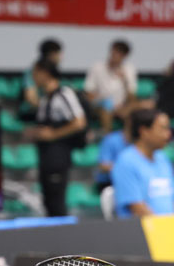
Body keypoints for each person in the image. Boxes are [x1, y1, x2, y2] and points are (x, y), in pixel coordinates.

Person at [24, 58, 86, 217]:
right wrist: (36, 133)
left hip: (58, 157)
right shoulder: (45, 99)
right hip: (45, 158)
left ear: (45, 73)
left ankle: (62, 231)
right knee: (49, 202)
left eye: (35, 73)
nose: (33, 77)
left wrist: (53, 135)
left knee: (57, 202)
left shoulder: (64, 94)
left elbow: (79, 122)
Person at [111, 108, 174, 218]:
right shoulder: (125, 162)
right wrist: (163, 227)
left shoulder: (163, 159)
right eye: (163, 129)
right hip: (142, 228)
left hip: (171, 227)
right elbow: (137, 208)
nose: (168, 134)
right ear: (144, 131)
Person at [85, 39, 137, 134]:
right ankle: (107, 136)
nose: (116, 55)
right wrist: (106, 102)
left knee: (139, 107)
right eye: (114, 51)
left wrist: (125, 81)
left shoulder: (129, 70)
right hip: (100, 105)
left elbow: (131, 97)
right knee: (107, 105)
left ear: (125, 56)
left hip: (121, 106)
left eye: (120, 53)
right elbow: (89, 93)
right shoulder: (97, 67)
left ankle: (130, 138)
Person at [95, 113, 132, 193]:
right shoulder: (111, 139)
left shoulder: (142, 143)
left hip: (130, 181)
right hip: (109, 183)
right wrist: (127, 169)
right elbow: (103, 166)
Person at [22, 38, 62, 111]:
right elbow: (31, 98)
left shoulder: (55, 72)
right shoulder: (32, 72)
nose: (60, 57)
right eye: (58, 54)